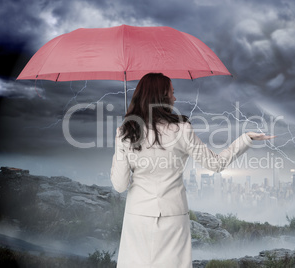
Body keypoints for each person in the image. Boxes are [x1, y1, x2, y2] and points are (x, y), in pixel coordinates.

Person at [110, 73, 274, 268]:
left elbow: (119, 185)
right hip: (173, 216)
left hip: (137, 216)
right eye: (172, 92)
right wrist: (246, 139)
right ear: (162, 96)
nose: (175, 98)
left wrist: (123, 147)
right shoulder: (181, 129)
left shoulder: (125, 133)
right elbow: (216, 164)